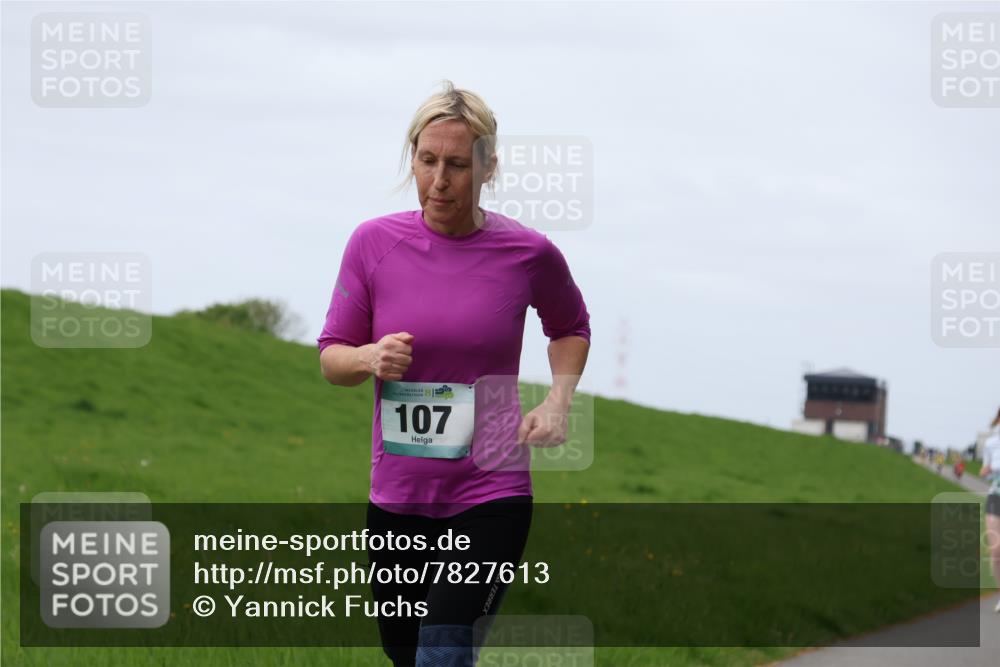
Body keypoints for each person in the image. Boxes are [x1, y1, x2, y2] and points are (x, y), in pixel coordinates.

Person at [317, 81, 591, 666]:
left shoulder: (527, 253)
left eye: (458, 165)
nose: (440, 180)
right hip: (397, 499)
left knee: (441, 654)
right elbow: (332, 357)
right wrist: (368, 357)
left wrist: (559, 402)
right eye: (427, 160)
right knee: (406, 656)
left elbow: (570, 326)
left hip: (491, 491)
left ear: (487, 167)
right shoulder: (373, 244)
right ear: (411, 158)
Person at [979, 406, 1000, 613]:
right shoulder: (991, 443)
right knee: (995, 551)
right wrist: (986, 471)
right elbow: (984, 471)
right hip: (996, 496)